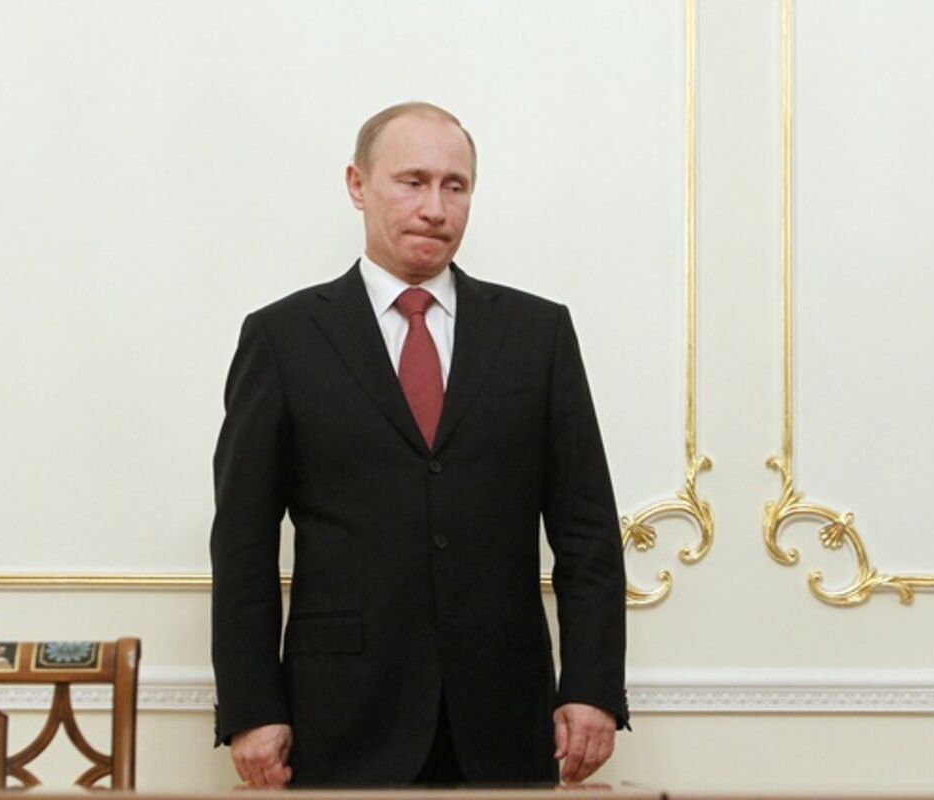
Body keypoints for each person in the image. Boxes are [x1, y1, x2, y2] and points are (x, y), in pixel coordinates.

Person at [210, 101, 627, 788]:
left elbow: (587, 530)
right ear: (357, 184)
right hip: (340, 716)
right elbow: (243, 542)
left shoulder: (538, 334)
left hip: (505, 714)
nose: (435, 208)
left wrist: (592, 687)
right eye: (412, 182)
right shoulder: (283, 339)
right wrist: (252, 708)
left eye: (454, 186)